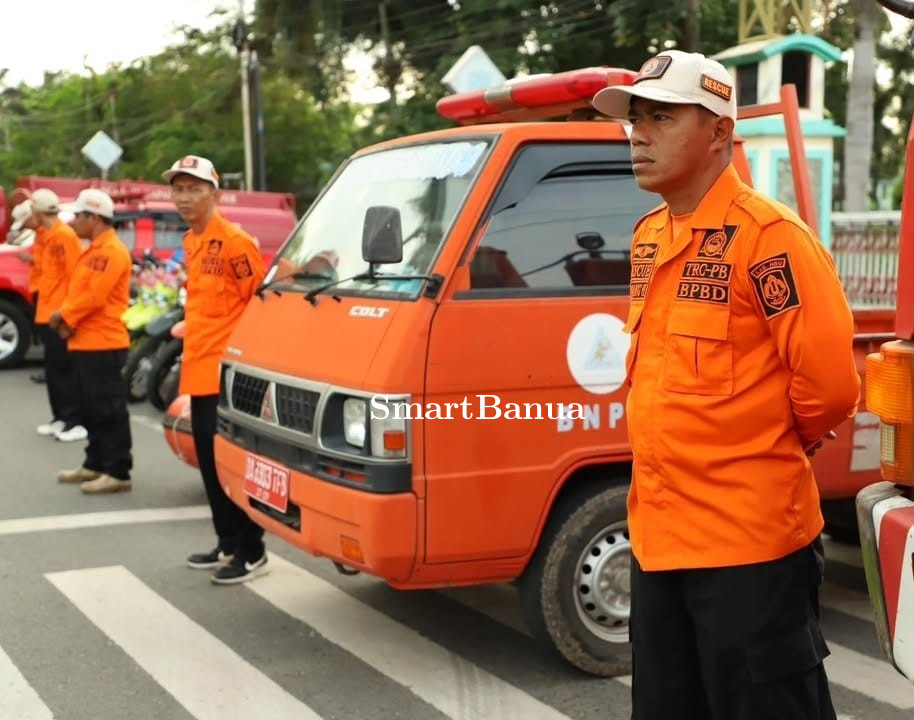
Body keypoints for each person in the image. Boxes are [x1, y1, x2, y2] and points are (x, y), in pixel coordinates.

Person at [591, 51, 858, 720]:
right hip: (657, 540)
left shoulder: (771, 241)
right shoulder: (651, 237)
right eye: (635, 120)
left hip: (748, 551)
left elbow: (829, 389)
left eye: (660, 117)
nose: (639, 135)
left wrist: (759, 448)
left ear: (718, 133)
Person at [162, 154, 268, 585]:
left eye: (194, 188)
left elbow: (256, 304)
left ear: (215, 194)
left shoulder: (235, 241)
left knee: (228, 464)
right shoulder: (192, 241)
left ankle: (252, 550)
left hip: (226, 372)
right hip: (199, 366)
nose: (184, 197)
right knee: (208, 464)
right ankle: (227, 541)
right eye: (179, 188)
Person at [52, 189, 134, 494]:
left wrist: (63, 316)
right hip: (85, 341)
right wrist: (67, 320)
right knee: (90, 407)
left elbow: (94, 297)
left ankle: (118, 470)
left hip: (103, 342)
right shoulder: (93, 250)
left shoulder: (110, 252)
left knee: (108, 409)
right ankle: (95, 463)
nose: (74, 221)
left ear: (95, 218)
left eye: (79, 215)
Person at [21, 189, 87, 442]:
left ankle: (75, 421)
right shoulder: (47, 235)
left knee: (65, 369)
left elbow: (74, 277)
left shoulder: (64, 236)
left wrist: (69, 315)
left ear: (39, 212)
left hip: (60, 312)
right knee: (53, 369)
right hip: (47, 310)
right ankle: (60, 417)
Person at [16, 190, 58, 385]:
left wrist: (31, 259)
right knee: (48, 338)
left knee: (53, 340)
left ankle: (53, 372)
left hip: (52, 296)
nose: (27, 225)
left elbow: (57, 267)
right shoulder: (42, 234)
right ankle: (50, 371)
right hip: (42, 290)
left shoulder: (57, 235)